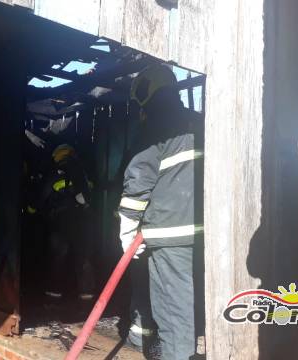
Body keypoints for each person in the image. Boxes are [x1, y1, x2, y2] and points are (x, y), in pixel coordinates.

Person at [118, 64, 203, 360]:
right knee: (191, 303)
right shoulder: (199, 122)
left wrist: (127, 230)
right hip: (201, 236)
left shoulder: (154, 128)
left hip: (168, 237)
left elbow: (138, 181)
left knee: (173, 312)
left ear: (146, 92)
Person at [40, 144, 95, 301]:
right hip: (81, 219)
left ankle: (53, 293)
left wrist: (32, 209)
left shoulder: (53, 172)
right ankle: (86, 294)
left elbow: (42, 194)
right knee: (83, 256)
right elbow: (88, 194)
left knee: (58, 256)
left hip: (60, 220)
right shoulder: (82, 170)